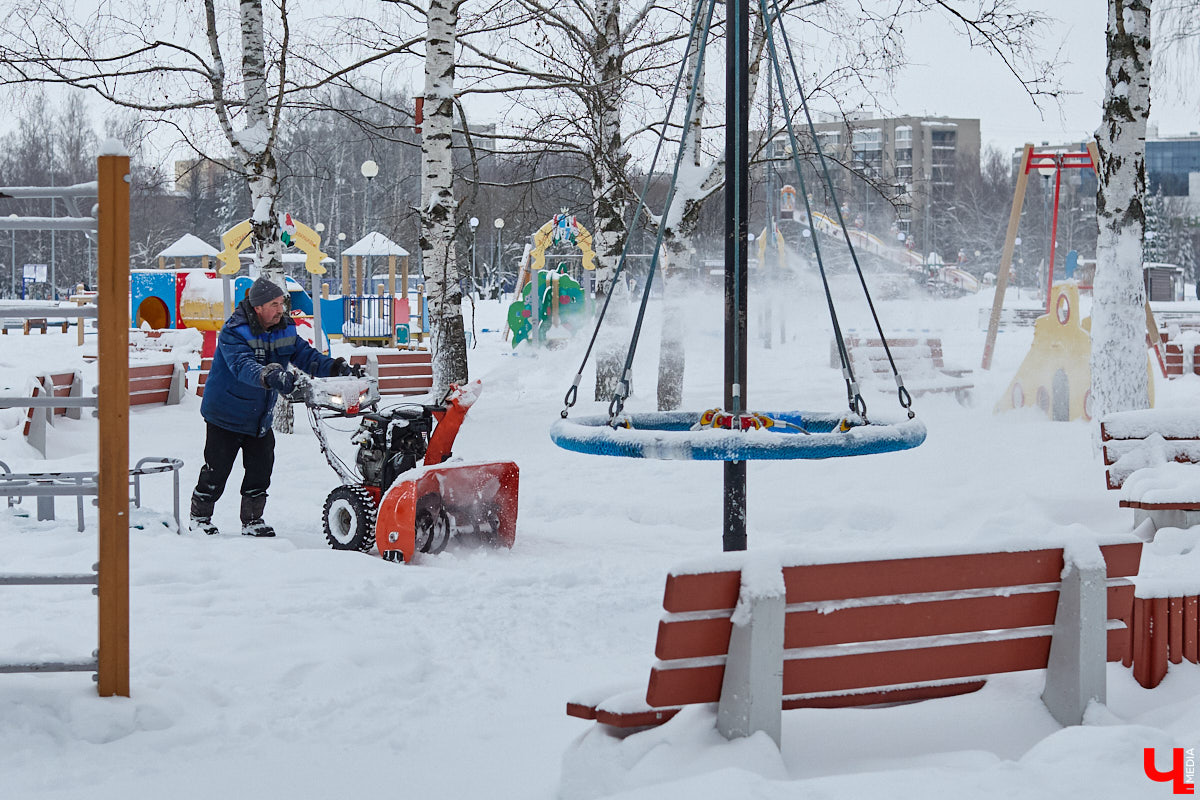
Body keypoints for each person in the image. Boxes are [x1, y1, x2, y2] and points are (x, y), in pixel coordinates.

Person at [189, 276, 357, 537]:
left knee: (260, 468)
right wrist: (271, 376)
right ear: (258, 307)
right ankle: (200, 517)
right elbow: (242, 366)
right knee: (217, 470)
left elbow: (306, 356)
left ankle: (253, 520)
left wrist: (336, 368)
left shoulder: (285, 328)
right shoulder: (234, 331)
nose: (281, 309)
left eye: (282, 303)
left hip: (259, 417)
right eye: (275, 304)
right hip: (226, 414)